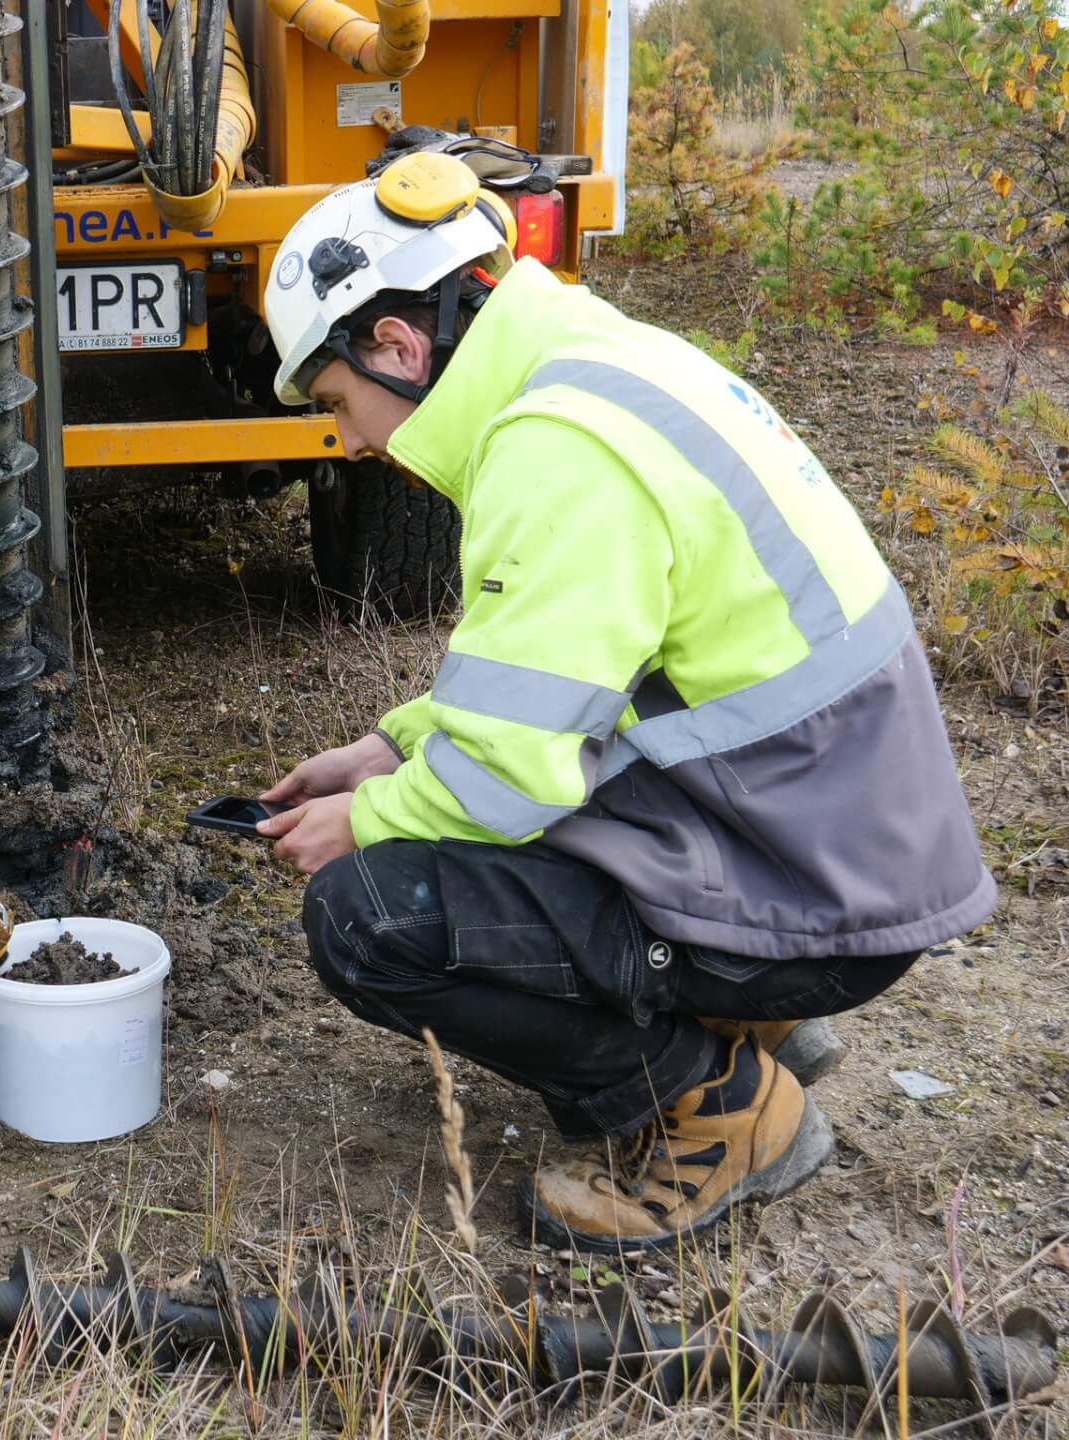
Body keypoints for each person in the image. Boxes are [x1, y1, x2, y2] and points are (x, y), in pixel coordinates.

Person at [255, 151, 996, 1253]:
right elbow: (568, 679)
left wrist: (363, 823)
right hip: (837, 829)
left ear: (398, 346)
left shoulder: (558, 451)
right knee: (464, 836)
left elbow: (513, 773)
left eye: (338, 403)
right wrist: (386, 748)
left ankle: (718, 1105)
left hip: (816, 878)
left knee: (368, 919)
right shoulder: (593, 366)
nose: (355, 440)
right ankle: (746, 1015)